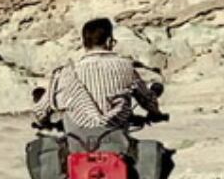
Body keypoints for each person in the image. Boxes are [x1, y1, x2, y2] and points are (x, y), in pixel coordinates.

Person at [32, 17, 164, 144]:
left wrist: (43, 122)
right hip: (116, 141)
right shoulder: (126, 67)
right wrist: (155, 113)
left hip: (77, 144)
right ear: (109, 41)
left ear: (84, 43)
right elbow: (147, 99)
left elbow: (40, 111)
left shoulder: (66, 73)